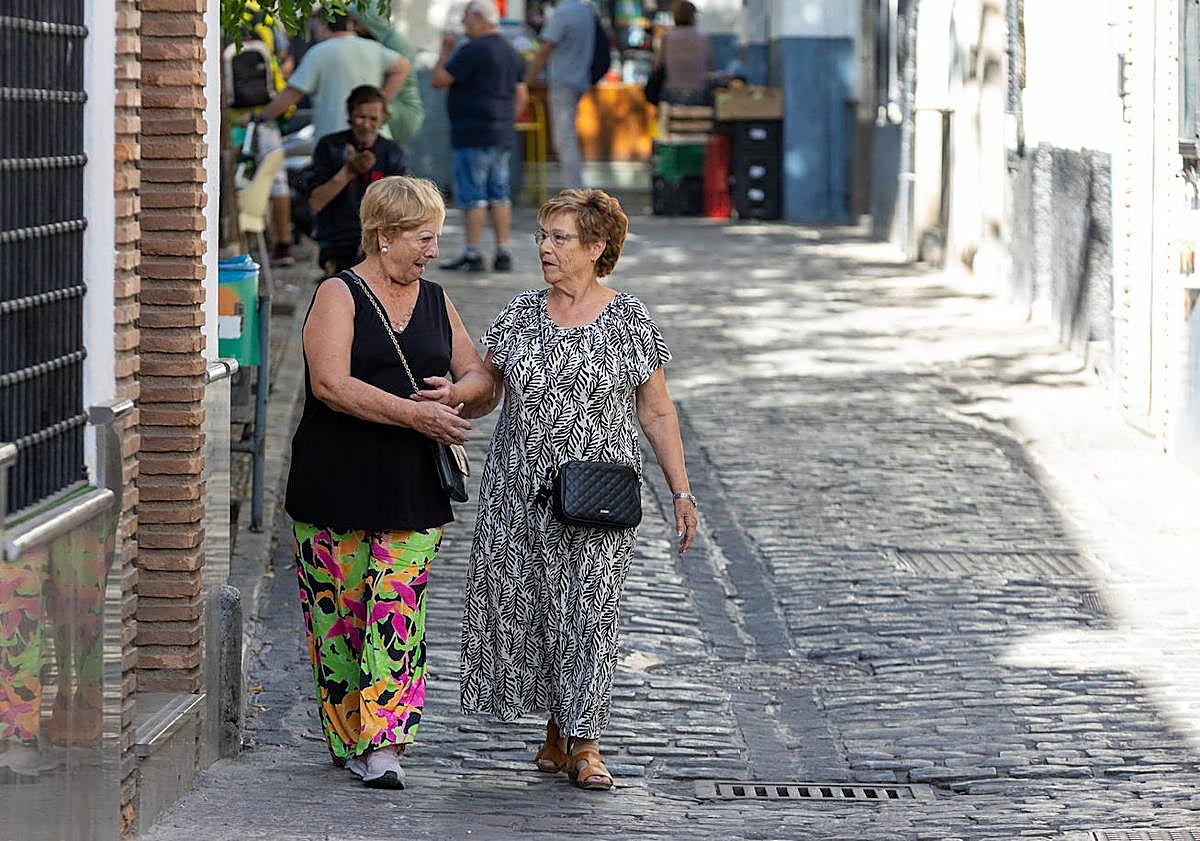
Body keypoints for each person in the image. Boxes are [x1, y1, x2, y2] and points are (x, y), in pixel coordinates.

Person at [459, 188, 698, 791]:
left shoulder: (630, 321)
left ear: (597, 248)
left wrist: (681, 492)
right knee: (529, 611)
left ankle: (587, 745)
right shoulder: (519, 314)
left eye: (559, 238)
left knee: (589, 614)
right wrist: (450, 395)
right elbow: (487, 385)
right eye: (542, 236)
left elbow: (658, 412)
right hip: (518, 492)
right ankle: (554, 732)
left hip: (599, 494)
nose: (544, 247)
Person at [284, 175, 495, 789]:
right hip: (335, 481)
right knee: (341, 617)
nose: (432, 250)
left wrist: (457, 395)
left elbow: (481, 376)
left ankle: (386, 744)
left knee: (397, 611)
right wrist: (415, 413)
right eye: (422, 238)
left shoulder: (435, 300)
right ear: (384, 235)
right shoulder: (338, 295)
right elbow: (330, 384)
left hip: (411, 485)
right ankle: (350, 736)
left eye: (435, 238)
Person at [431, 0, 528, 272]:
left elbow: (438, 80)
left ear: (478, 19)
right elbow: (522, 95)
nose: (463, 26)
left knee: (472, 194)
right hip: (501, 133)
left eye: (466, 20)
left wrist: (444, 51)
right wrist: (506, 119)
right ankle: (502, 249)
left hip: (473, 132)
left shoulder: (472, 49)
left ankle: (473, 252)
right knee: (500, 194)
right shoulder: (510, 50)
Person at [257, 12, 410, 145]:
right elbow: (402, 66)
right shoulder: (372, 48)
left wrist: (261, 117)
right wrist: (381, 102)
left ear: (323, 25)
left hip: (334, 142)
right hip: (376, 138)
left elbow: (293, 92)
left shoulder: (319, 52)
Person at [307, 85, 408, 275]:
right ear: (350, 115)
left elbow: (399, 210)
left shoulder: (392, 153)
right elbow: (316, 202)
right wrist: (348, 172)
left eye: (373, 118)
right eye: (361, 117)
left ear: (383, 119)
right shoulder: (330, 147)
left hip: (378, 243)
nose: (366, 124)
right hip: (337, 241)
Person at [228, 1, 297, 265]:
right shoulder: (266, 17)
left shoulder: (223, 16)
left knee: (232, 177)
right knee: (275, 178)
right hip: (263, 115)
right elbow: (282, 59)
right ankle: (283, 245)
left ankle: (237, 245)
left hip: (230, 116)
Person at [524, 0, 595, 189]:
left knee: (563, 139)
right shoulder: (585, 11)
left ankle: (574, 191)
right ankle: (575, 189)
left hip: (563, 81)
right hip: (579, 79)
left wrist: (527, 80)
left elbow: (544, 49)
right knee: (567, 137)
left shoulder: (563, 12)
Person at [351, 8, 426, 145]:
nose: (353, 27)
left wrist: (377, 106)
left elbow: (399, 72)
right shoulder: (379, 41)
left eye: (356, 22)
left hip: (400, 108)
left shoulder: (394, 43)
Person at [654, 1, 713, 105]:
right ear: (693, 16)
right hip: (698, 93)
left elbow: (658, 65)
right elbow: (710, 67)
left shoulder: (667, 38)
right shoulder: (703, 38)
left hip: (672, 93)